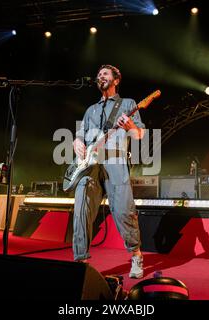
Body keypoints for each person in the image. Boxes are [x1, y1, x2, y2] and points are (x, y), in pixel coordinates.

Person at [72, 65, 145, 278]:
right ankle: (81, 262)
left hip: (116, 162)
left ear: (116, 80)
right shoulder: (91, 110)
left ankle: (136, 255)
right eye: (98, 75)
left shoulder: (128, 104)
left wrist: (130, 125)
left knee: (124, 211)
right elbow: (80, 135)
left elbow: (139, 134)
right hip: (90, 166)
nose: (100, 77)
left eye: (105, 74)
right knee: (81, 207)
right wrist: (77, 141)